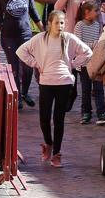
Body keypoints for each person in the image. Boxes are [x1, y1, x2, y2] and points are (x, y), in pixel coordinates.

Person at [17, 9, 92, 168]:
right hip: (46, 82)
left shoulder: (69, 38)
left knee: (59, 120)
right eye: (57, 23)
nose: (60, 26)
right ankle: (48, 144)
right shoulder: (40, 39)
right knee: (44, 118)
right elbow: (21, 51)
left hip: (64, 82)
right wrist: (36, 64)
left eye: (62, 22)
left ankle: (57, 154)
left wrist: (72, 64)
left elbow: (87, 52)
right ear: (49, 24)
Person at [0, 0, 43, 109]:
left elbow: (35, 15)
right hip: (8, 37)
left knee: (27, 68)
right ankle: (17, 96)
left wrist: (45, 33)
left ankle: (24, 92)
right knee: (14, 67)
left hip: (25, 35)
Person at [74, 1, 105, 125]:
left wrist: (98, 46)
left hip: (96, 63)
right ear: (87, 12)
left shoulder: (98, 25)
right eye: (96, 11)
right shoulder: (79, 25)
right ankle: (86, 113)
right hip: (83, 64)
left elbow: (101, 40)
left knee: (99, 88)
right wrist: (94, 45)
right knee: (86, 89)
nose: (98, 13)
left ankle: (101, 113)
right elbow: (78, 44)